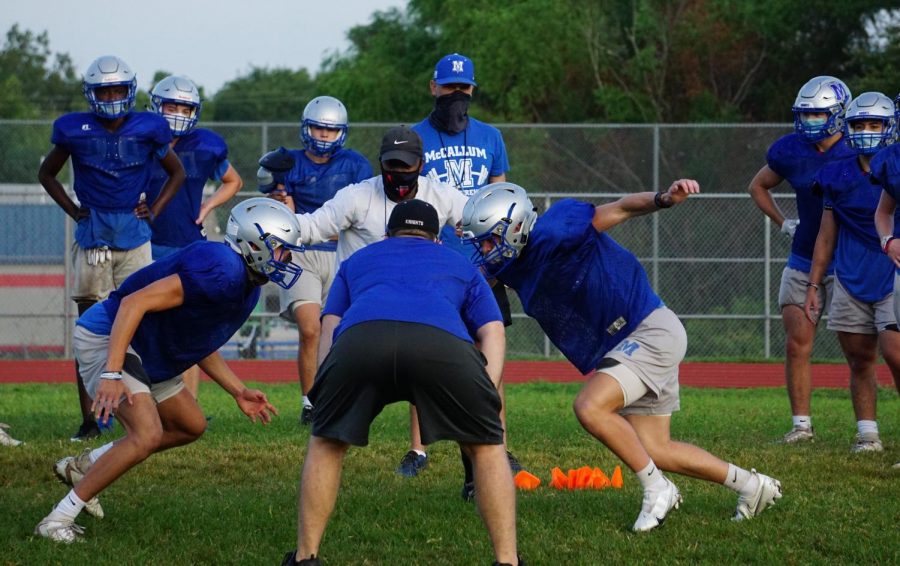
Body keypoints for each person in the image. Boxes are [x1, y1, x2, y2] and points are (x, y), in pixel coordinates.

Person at [461, 182, 782, 532]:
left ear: (516, 226)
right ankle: (752, 487)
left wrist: (662, 199)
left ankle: (657, 488)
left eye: (491, 239)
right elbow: (473, 277)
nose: (486, 249)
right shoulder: (511, 263)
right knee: (656, 449)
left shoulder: (558, 229)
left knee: (590, 407)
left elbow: (622, 208)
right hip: (628, 341)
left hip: (648, 329)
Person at [34, 198, 301, 543]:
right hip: (110, 333)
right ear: (254, 243)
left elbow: (196, 341)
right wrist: (112, 374)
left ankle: (83, 464)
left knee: (191, 425)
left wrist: (237, 390)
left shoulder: (245, 285)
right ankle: (57, 520)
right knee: (146, 434)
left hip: (143, 347)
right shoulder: (220, 268)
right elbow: (133, 303)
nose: (287, 259)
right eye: (281, 249)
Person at [282, 200, 521, 566]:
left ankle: (305, 557)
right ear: (437, 240)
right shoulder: (460, 264)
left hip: (362, 340)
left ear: (387, 235)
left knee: (326, 442)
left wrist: (327, 386)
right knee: (487, 448)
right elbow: (492, 331)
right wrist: (487, 390)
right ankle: (507, 561)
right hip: (440, 346)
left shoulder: (359, 260)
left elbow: (330, 325)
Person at [38, 55, 187, 442]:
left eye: (118, 89)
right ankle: (89, 419)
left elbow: (177, 173)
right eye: (104, 90)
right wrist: (73, 210)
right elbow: (46, 173)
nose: (111, 96)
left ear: (130, 90)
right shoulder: (74, 129)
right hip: (93, 235)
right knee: (90, 326)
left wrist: (152, 210)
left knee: (144, 320)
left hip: (134, 235)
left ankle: (144, 406)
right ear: (91, 93)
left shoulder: (149, 126)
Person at [404, 53, 519, 491]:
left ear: (472, 90)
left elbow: (500, 194)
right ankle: (419, 447)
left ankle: (497, 444)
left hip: (482, 264)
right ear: (434, 88)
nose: (456, 95)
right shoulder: (414, 136)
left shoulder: (490, 136)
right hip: (434, 261)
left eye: (463, 88)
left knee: (490, 357)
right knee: (427, 356)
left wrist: (500, 254)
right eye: (449, 87)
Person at [748, 76, 855, 444]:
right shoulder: (791, 150)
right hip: (803, 257)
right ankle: (801, 426)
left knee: (860, 350)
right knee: (797, 344)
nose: (809, 120)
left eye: (817, 114)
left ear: (839, 114)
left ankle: (867, 431)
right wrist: (784, 222)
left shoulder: (858, 147)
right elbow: (758, 185)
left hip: (849, 260)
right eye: (805, 113)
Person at [261, 96, 372, 425]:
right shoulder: (287, 163)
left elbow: (361, 213)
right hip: (302, 254)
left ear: (341, 132)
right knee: (310, 329)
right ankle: (310, 403)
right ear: (305, 128)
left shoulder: (355, 165)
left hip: (342, 255)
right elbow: (278, 213)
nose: (323, 135)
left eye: (330, 129)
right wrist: (280, 201)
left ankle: (334, 397)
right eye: (318, 128)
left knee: (336, 332)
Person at [804, 92, 900, 454]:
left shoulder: (894, 164)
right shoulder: (835, 173)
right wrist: (815, 282)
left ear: (889, 127)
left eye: (874, 124)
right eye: (859, 124)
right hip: (851, 274)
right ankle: (867, 433)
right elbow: (826, 233)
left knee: (896, 355)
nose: (865, 131)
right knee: (859, 359)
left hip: (892, 273)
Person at [147, 74, 244, 399]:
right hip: (141, 242)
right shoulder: (140, 139)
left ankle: (186, 403)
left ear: (195, 112)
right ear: (156, 106)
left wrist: (208, 205)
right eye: (171, 105)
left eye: (184, 107)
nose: (176, 112)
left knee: (186, 326)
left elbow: (233, 181)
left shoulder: (204, 146)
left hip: (186, 242)